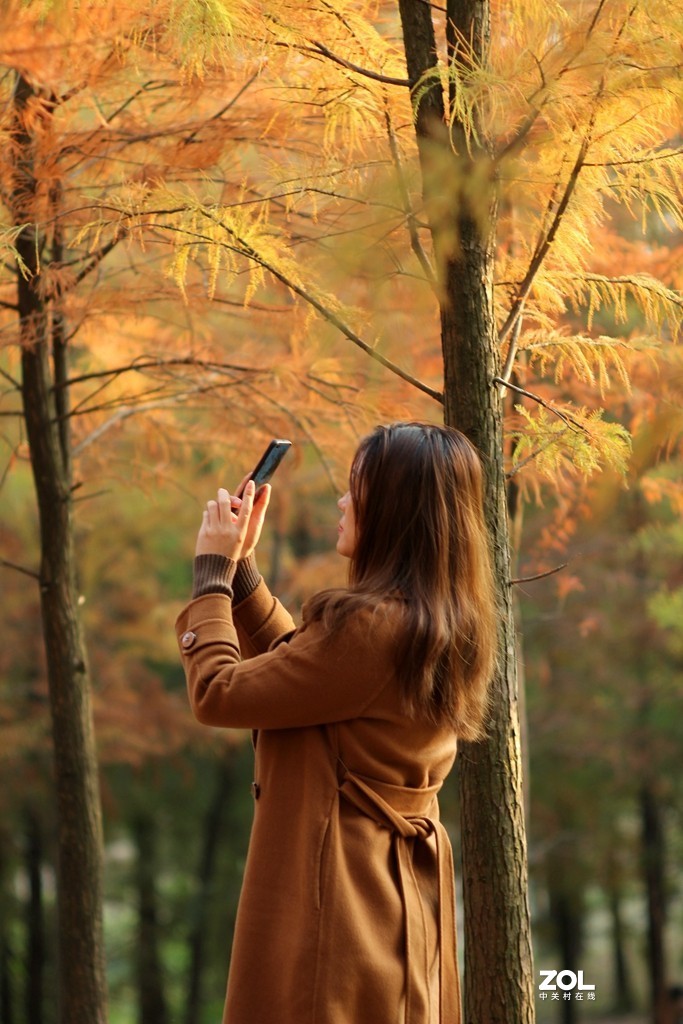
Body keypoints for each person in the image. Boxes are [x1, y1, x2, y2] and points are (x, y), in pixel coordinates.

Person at [175, 421, 497, 1024]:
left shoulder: (370, 630)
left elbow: (218, 692)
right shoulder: (437, 622)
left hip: (333, 919)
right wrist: (243, 573)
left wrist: (212, 575)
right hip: (386, 915)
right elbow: (310, 681)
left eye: (358, 487)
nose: (344, 501)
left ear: (395, 509)